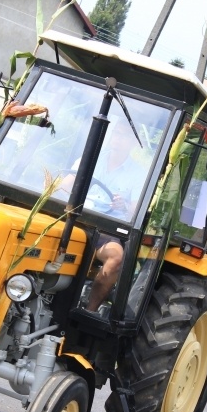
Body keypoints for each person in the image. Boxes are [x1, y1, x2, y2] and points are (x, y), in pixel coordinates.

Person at [60, 122, 149, 313]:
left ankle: (88, 311)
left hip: (105, 231)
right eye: (116, 133)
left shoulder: (139, 174)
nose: (118, 138)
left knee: (117, 256)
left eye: (124, 136)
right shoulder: (92, 157)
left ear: (133, 143)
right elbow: (65, 185)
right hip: (76, 218)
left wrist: (123, 205)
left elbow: (134, 212)